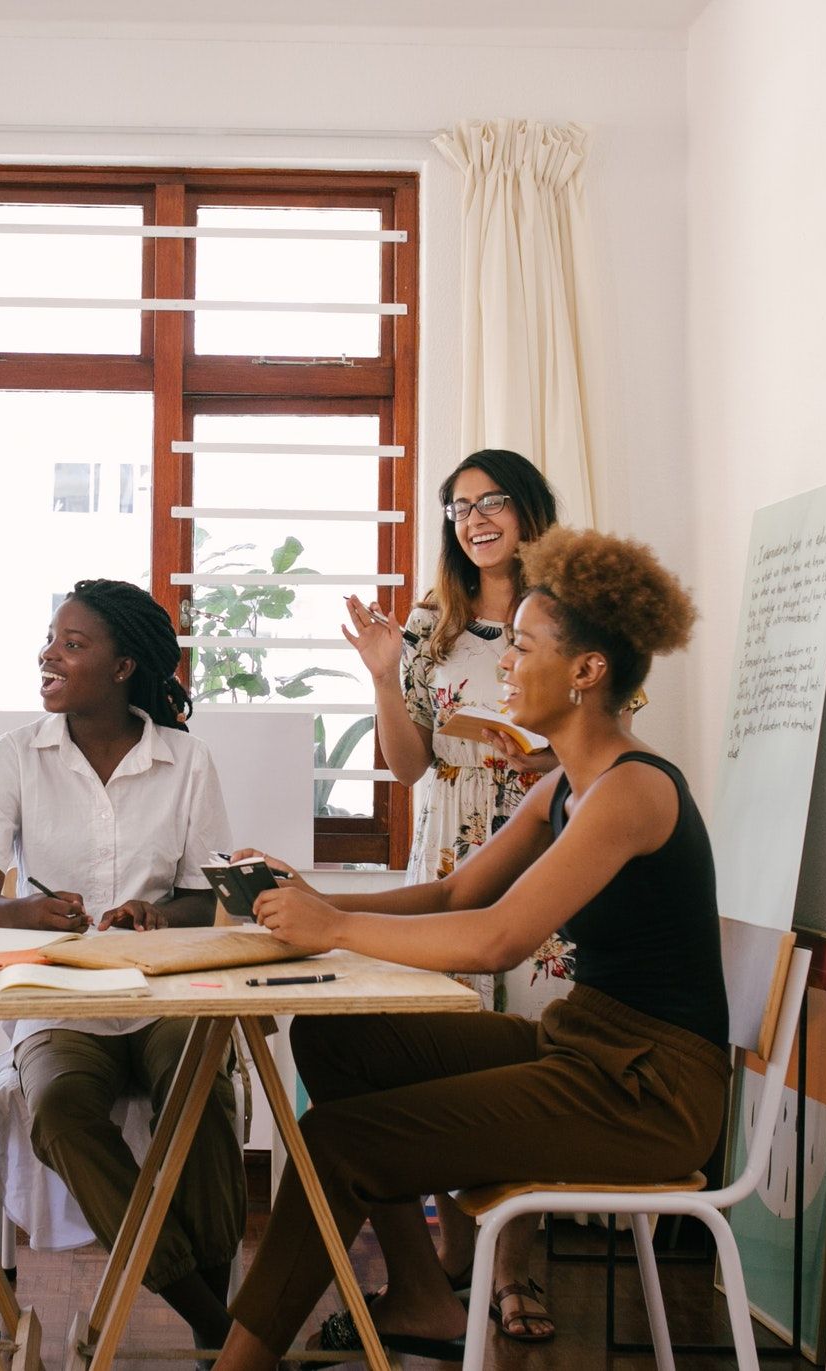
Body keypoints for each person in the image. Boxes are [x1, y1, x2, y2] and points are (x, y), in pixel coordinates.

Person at [212, 528, 728, 1370]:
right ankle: (422, 1294)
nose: (506, 665)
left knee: (337, 1141)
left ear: (587, 670)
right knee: (337, 1041)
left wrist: (332, 929)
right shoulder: (566, 784)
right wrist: (312, 897)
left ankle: (242, 1362)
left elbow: (497, 939)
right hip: (585, 1046)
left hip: (648, 1093)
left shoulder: (633, 789)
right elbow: (458, 894)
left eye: (523, 647)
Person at [0, 579, 242, 1353]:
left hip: (162, 994)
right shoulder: (14, 757)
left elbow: (205, 897)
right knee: (57, 1109)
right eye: (51, 639)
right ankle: (219, 1329)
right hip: (61, 1001)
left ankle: (216, 1337)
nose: (48, 654)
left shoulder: (186, 761)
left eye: (72, 643)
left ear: (122, 667)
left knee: (204, 1096)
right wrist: (29, 912)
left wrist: (157, 913)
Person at [338, 447, 562, 1340]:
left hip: (542, 836)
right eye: (460, 506)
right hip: (448, 847)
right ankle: (457, 1255)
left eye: (492, 501)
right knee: (447, 1051)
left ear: (529, 510)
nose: (475, 519)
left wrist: (541, 760)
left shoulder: (570, 614)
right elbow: (408, 765)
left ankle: (518, 1267)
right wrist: (383, 673)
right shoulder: (432, 624)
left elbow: (604, 740)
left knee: (528, 1060)